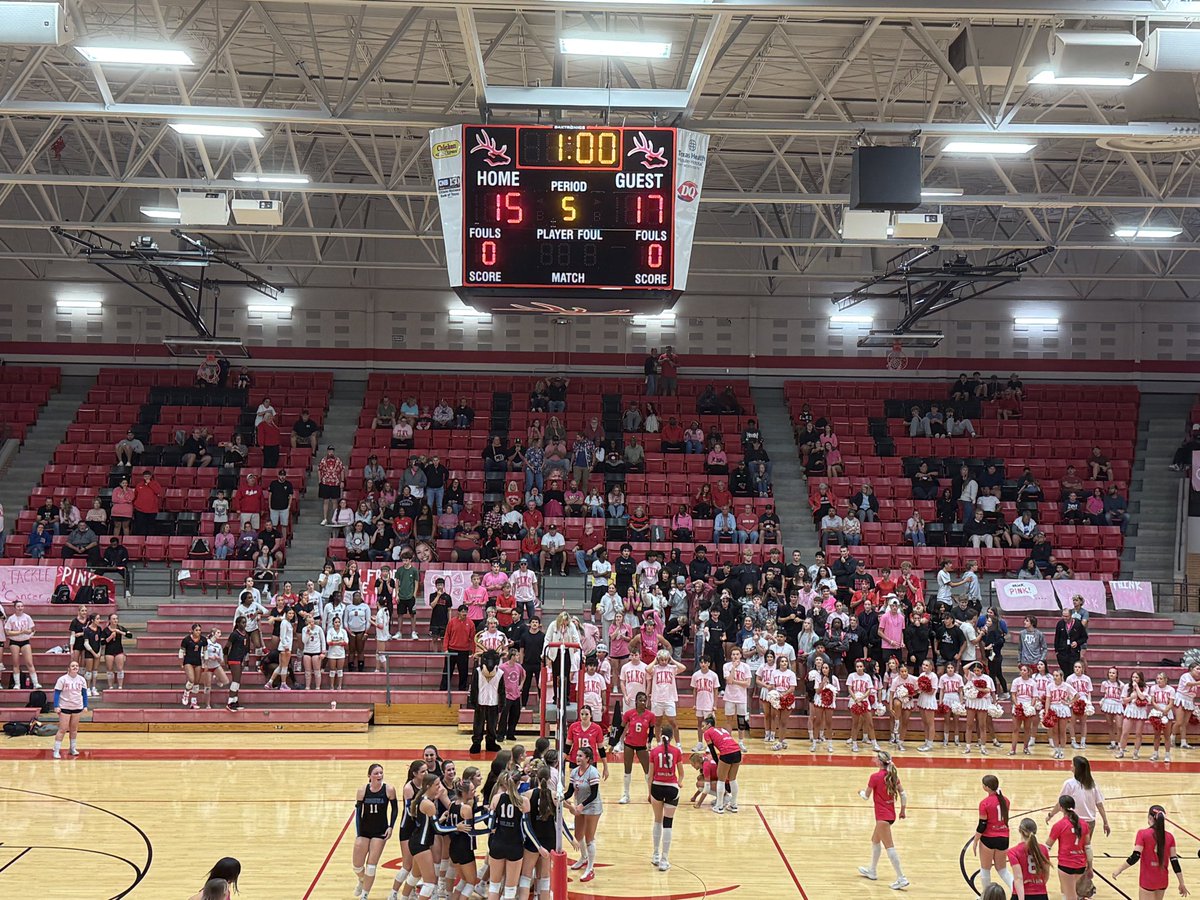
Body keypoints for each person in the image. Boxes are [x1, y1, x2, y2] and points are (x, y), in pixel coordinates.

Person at [1111, 804, 1190, 900]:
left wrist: (1119, 870)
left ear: (1149, 817)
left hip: (1148, 880)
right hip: (1162, 880)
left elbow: (1135, 856)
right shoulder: (1170, 837)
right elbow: (1174, 862)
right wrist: (1181, 883)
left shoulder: (1142, 834)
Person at [856, 750, 909, 890]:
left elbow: (866, 796)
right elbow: (903, 794)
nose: (874, 759)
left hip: (882, 817)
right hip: (890, 815)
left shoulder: (875, 777)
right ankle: (872, 871)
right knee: (875, 841)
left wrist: (860, 792)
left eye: (876, 758)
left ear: (880, 762)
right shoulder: (893, 776)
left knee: (890, 848)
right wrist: (902, 810)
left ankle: (901, 878)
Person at [352, 763, 399, 900]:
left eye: (381, 773)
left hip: (380, 831)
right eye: (376, 773)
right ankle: (361, 880)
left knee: (371, 866)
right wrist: (359, 834)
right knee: (357, 866)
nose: (379, 775)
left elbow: (395, 809)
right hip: (365, 830)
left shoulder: (389, 789)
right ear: (369, 776)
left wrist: (391, 826)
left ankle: (365, 895)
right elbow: (358, 813)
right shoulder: (362, 790)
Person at [565, 746, 603, 883]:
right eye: (577, 755)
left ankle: (590, 868)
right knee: (578, 835)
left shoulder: (593, 773)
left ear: (588, 759)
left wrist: (580, 806)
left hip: (592, 807)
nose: (577, 758)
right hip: (580, 807)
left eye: (581, 756)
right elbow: (569, 792)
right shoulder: (575, 772)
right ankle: (583, 857)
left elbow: (593, 794)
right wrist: (561, 797)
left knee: (589, 838)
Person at [648, 726, 684, 872]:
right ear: (672, 737)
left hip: (657, 787)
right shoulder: (677, 751)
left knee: (657, 821)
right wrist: (679, 782)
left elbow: (650, 775)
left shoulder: (654, 751)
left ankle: (655, 855)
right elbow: (681, 773)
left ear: (661, 736)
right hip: (672, 788)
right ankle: (664, 859)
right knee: (668, 823)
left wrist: (649, 792)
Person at [611, 690, 656, 805]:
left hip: (642, 745)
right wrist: (614, 743)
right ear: (636, 701)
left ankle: (651, 794)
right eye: (640, 700)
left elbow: (651, 731)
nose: (642, 702)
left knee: (648, 771)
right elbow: (621, 728)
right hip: (629, 744)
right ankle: (626, 795)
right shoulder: (629, 714)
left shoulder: (650, 715)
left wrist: (649, 742)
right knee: (627, 770)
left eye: (644, 700)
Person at [971, 774, 1014, 893]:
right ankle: (1018, 893)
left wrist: (975, 841)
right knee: (1002, 870)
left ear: (986, 787)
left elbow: (982, 825)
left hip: (989, 838)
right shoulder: (1006, 800)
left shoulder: (985, 803)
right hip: (1004, 838)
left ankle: (986, 896)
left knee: (985, 870)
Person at [1047, 795, 1091, 900]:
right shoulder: (1084, 824)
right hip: (1080, 865)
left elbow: (1047, 846)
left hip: (1066, 865)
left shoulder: (1059, 825)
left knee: (1070, 895)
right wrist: (1090, 866)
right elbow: (1088, 848)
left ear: (1061, 808)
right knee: (1066, 891)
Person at [701, 713, 742, 814]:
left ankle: (719, 806)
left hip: (727, 753)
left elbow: (712, 750)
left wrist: (718, 762)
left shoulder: (707, 733)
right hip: (737, 751)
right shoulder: (722, 729)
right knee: (733, 779)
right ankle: (733, 805)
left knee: (721, 780)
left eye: (703, 726)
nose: (702, 728)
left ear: (709, 725)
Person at [51, 659, 88, 759]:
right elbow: (57, 693)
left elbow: (84, 693)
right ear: (68, 668)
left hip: (77, 706)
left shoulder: (82, 679)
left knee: (74, 729)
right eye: (73, 666)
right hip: (65, 707)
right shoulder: (62, 679)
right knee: (63, 729)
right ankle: (56, 750)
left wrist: (85, 705)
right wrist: (56, 706)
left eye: (76, 666)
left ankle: (72, 748)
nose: (75, 667)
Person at [1008, 819, 1052, 900]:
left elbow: (1018, 878)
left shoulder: (1013, 852)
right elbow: (1046, 874)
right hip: (1041, 894)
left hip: (1022, 894)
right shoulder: (1043, 849)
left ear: (1020, 830)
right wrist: (1038, 884)